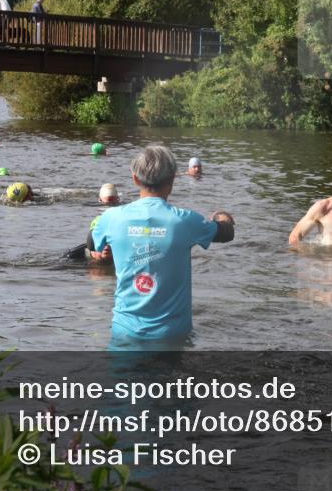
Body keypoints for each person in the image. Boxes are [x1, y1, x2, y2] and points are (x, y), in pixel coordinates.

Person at [90, 145, 235, 345]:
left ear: (135, 179)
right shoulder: (186, 221)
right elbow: (227, 234)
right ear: (172, 180)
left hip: (125, 333)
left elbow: (92, 241)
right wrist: (221, 216)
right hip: (171, 336)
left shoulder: (111, 218)